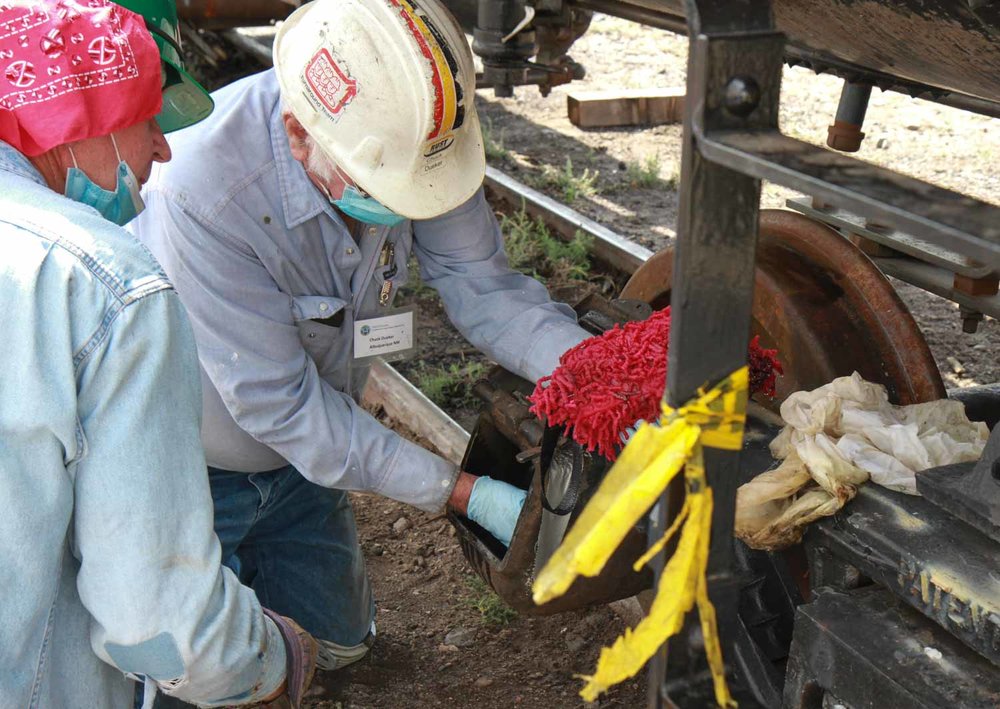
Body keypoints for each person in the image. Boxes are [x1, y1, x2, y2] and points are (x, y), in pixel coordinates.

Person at [130, 0, 592, 673]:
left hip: (301, 465)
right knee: (193, 677)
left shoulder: (415, 131)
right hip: (190, 465)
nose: (408, 209)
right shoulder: (205, 191)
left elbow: (483, 286)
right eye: (387, 190)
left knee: (340, 648)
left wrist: (597, 372)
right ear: (296, 132)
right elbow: (281, 405)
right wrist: (459, 490)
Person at [0, 2, 316, 707]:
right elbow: (155, 614)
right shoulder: (106, 283)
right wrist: (266, 661)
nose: (164, 151)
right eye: (148, 120)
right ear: (86, 120)